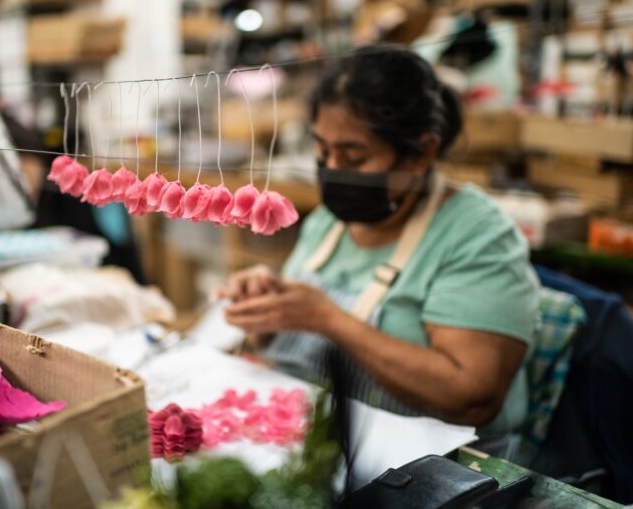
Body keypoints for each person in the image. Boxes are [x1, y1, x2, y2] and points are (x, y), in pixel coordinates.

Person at [218, 45, 540, 438]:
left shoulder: (478, 237)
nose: (333, 170)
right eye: (322, 150)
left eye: (354, 158)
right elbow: (294, 339)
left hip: (443, 470)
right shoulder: (328, 224)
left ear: (422, 153)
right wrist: (269, 309)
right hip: (330, 440)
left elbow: (472, 395)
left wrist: (329, 320)